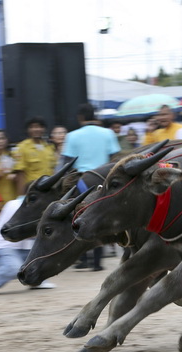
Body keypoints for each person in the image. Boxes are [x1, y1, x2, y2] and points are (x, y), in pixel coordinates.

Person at [62, 103, 121, 271]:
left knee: (79, 217)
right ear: (94, 115)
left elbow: (68, 163)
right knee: (100, 217)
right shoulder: (108, 133)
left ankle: (83, 259)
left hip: (82, 182)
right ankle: (97, 261)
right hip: (104, 179)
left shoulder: (72, 136)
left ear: (80, 117)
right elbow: (114, 158)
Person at [0, 196, 56, 295]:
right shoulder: (14, 205)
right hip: (3, 246)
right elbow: (21, 230)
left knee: (44, 258)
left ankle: (35, 281)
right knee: (14, 268)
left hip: (23, 247)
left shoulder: (31, 206)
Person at [12, 116, 57, 196]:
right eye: (32, 127)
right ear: (28, 130)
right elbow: (20, 175)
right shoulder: (22, 147)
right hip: (33, 193)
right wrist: (21, 196)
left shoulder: (49, 147)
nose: (36, 129)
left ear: (44, 129)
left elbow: (53, 170)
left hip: (49, 191)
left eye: (39, 127)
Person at [0, 129, 17, 202]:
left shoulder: (14, 157)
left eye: (1, 138)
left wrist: (15, 176)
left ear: (6, 140)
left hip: (11, 199)